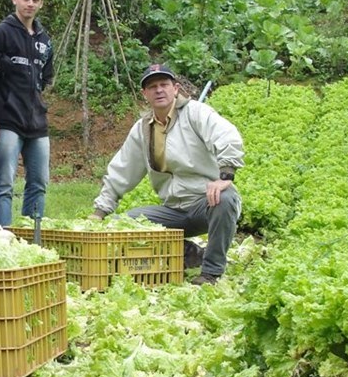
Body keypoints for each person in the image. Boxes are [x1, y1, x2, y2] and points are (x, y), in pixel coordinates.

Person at [90, 64, 244, 285]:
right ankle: (190, 253)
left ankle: (211, 272)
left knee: (226, 199)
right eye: (152, 87)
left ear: (176, 88)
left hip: (204, 203)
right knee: (123, 223)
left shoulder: (196, 113)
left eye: (164, 84)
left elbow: (227, 136)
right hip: (173, 210)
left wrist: (225, 176)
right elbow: (122, 170)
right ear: (145, 94)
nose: (159, 90)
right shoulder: (142, 129)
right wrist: (100, 212)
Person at [0, 0, 53, 229]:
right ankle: (1, 238)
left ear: (41, 3)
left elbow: (46, 77)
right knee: (4, 184)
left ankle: (31, 237)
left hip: (37, 122)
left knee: (39, 183)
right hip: (7, 120)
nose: (30, 4)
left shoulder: (44, 39)